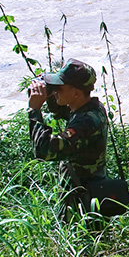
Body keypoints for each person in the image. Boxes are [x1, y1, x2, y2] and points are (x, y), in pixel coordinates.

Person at [28, 59, 108, 216]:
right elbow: (60, 110)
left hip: (82, 204)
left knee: (83, 240)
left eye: (60, 87)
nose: (56, 90)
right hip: (87, 192)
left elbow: (44, 150)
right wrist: (49, 88)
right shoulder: (91, 108)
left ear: (76, 92)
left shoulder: (86, 122)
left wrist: (34, 110)